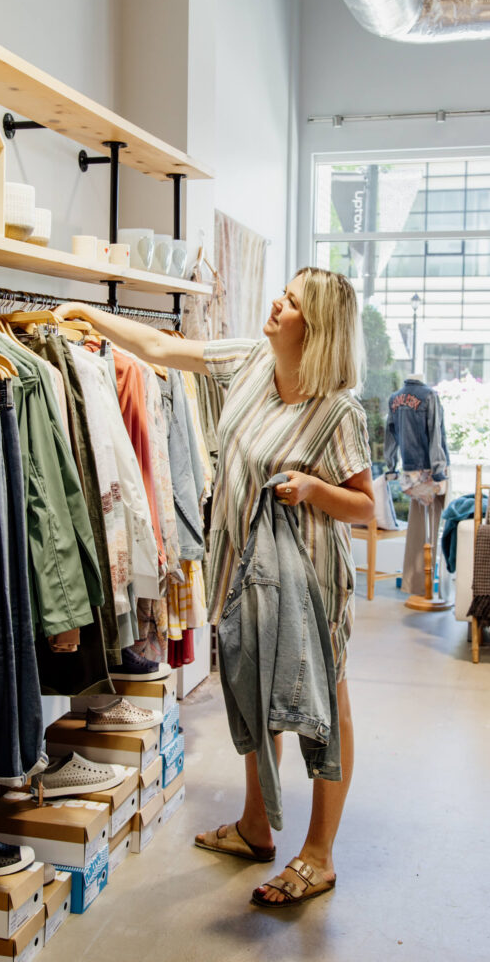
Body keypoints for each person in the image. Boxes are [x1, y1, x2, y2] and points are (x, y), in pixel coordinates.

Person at [55, 266, 374, 909]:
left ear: (315, 328)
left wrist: (313, 489)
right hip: (240, 568)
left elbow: (368, 507)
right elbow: (162, 349)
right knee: (255, 692)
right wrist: (91, 317)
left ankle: (319, 854)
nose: (277, 304)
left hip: (308, 582)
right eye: (282, 293)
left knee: (322, 708)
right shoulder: (253, 361)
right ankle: (257, 828)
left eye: (291, 301)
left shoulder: (337, 409)